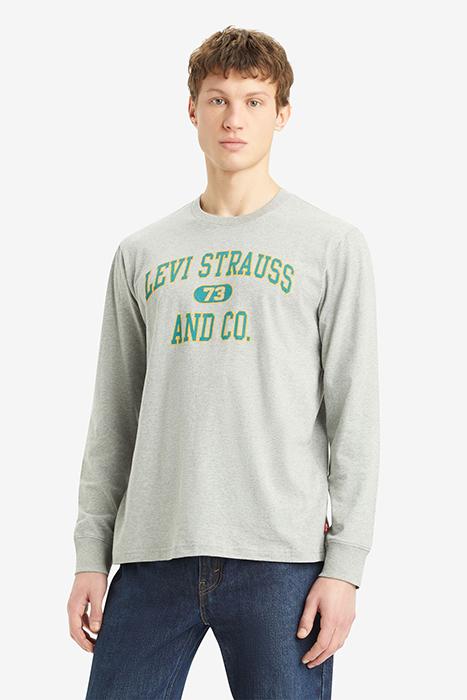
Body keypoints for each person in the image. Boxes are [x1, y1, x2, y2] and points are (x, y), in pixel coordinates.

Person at [67, 25, 380, 700]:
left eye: (253, 101)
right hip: (152, 555)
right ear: (193, 110)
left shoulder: (330, 245)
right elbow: (113, 417)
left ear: (282, 113)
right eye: (217, 99)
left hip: (281, 561)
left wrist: (344, 567)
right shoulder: (142, 252)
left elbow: (354, 415)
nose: (234, 118)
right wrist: (91, 555)